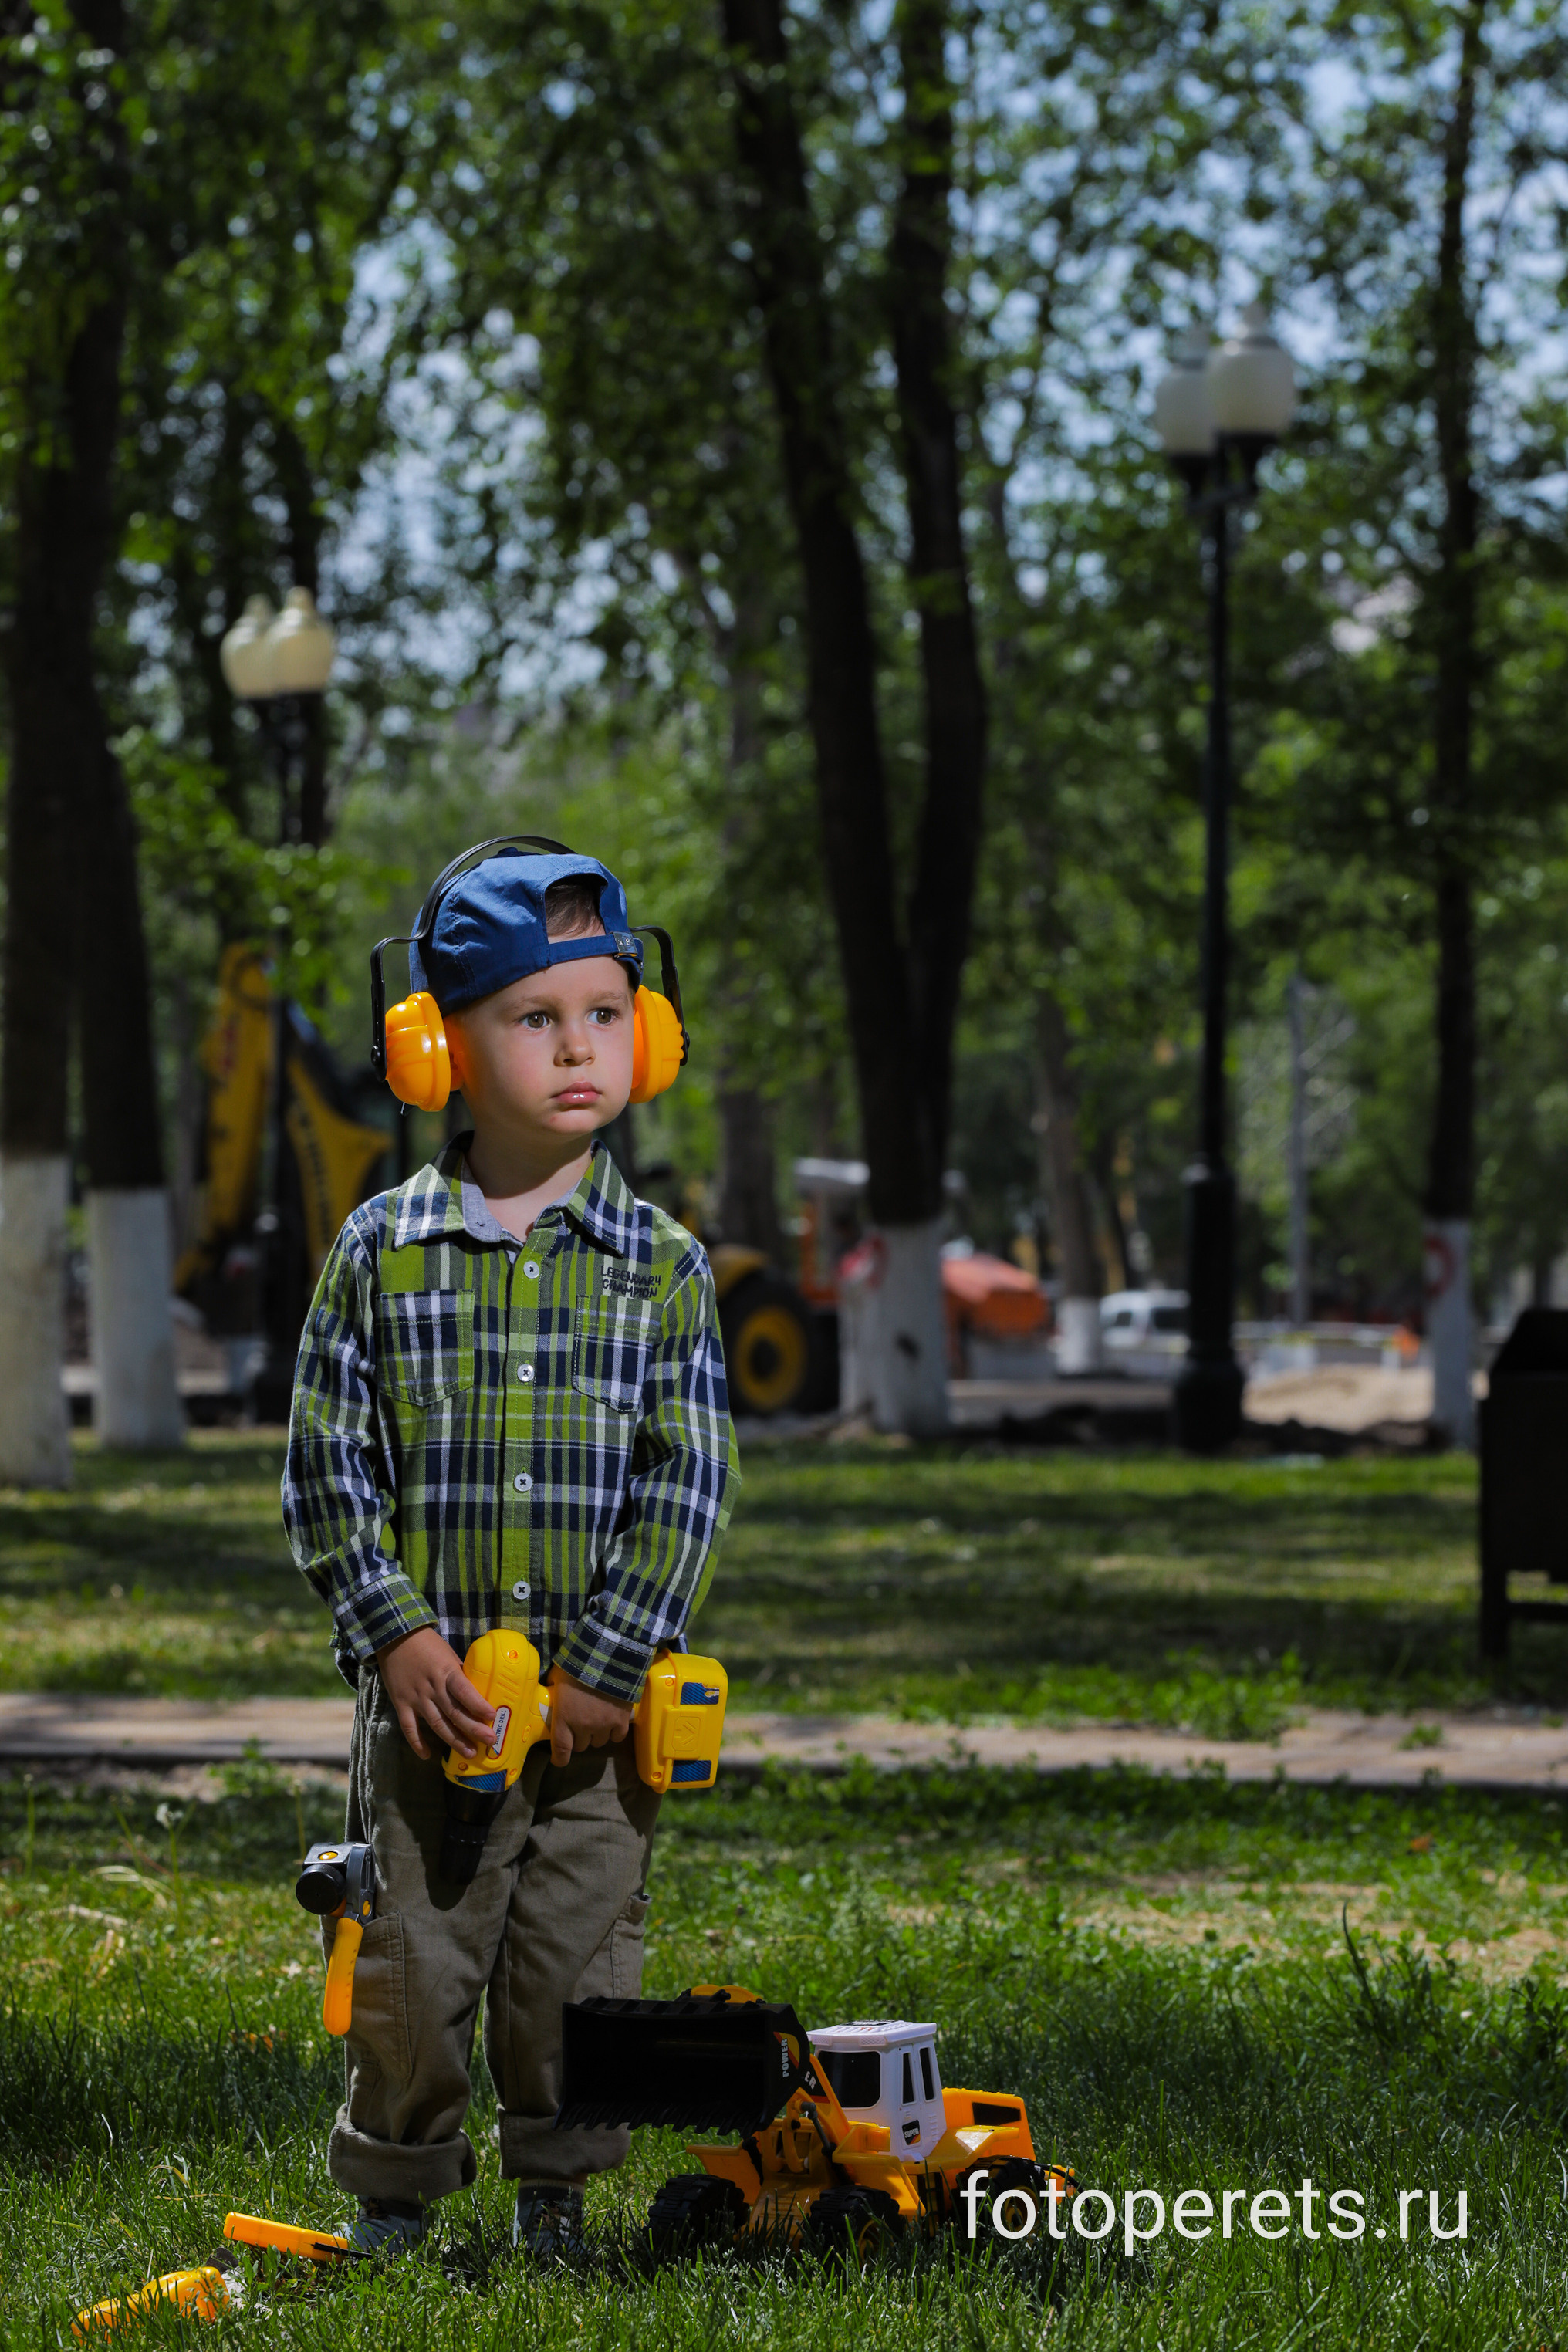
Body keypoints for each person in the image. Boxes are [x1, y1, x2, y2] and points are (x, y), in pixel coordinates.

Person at [282, 849, 738, 2259]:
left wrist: (610, 1664)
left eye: (604, 1013)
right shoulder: (380, 1250)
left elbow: (690, 1479)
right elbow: (325, 1464)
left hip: (599, 1732)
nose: (578, 1047)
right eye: (534, 1020)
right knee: (413, 1960)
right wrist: (398, 1637)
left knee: (577, 1966)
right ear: (436, 1047)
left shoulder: (663, 1266)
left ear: (646, 1035)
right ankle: (397, 2199)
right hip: (435, 1715)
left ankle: (559, 2196)